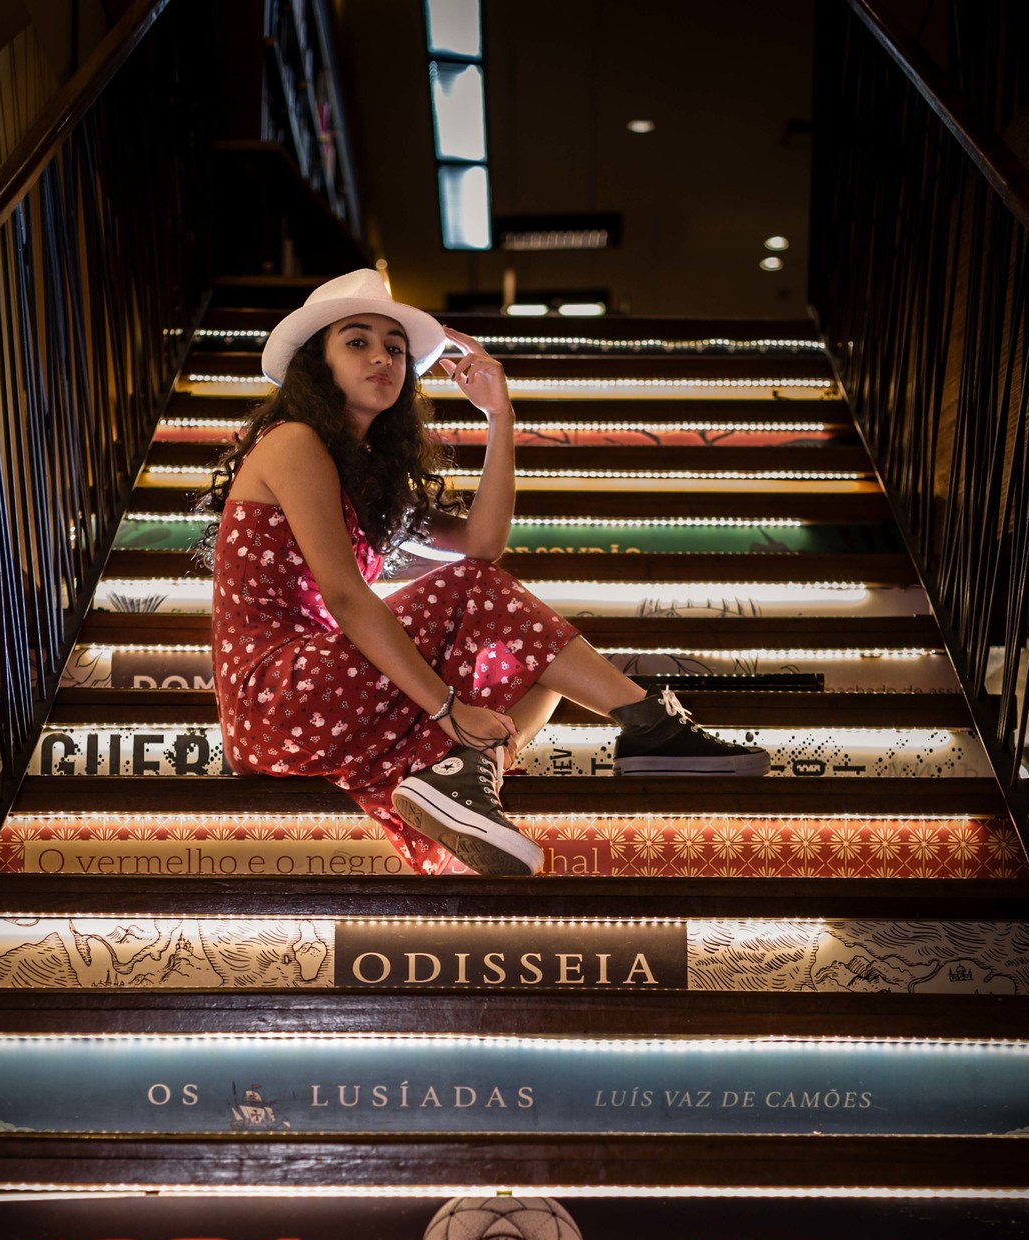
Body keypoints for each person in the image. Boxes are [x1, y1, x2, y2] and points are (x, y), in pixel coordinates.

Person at [204, 270, 769, 877]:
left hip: (318, 694)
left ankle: (467, 773)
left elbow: (482, 543)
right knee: (475, 594)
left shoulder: (364, 475)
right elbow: (346, 596)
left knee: (539, 665)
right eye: (357, 341)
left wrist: (500, 416)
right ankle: (648, 725)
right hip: (276, 698)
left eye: (396, 348)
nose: (383, 358)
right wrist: (447, 709)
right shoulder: (293, 442)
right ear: (317, 363)